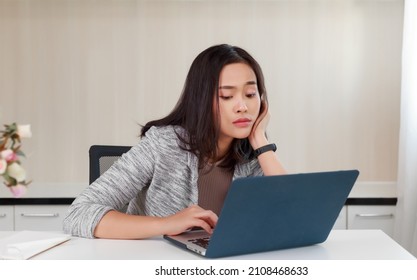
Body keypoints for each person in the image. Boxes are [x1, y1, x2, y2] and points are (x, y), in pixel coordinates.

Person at [63, 44, 286, 239]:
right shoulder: (163, 144)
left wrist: (260, 141)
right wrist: (166, 224)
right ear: (201, 100)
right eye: (227, 96)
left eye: (250, 93)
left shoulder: (254, 154)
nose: (243, 106)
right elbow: (78, 214)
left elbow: (292, 217)